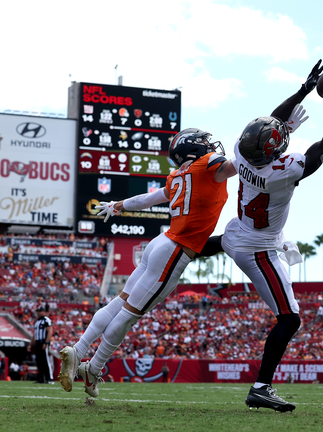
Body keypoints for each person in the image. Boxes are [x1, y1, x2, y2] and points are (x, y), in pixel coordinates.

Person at [199, 62, 323, 412]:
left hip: (236, 232)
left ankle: (178, 249)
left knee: (217, 243)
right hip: (260, 249)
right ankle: (261, 387)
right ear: (275, 152)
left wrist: (304, 89)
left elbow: (268, 124)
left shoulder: (241, 151)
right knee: (290, 318)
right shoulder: (284, 172)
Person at [56, 126, 236, 397]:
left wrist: (119, 205)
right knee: (128, 315)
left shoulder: (178, 174)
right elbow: (243, 161)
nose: (210, 146)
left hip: (159, 243)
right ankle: (93, 368)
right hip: (175, 249)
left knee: (118, 302)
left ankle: (78, 349)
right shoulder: (208, 165)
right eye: (204, 142)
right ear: (194, 148)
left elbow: (148, 199)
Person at [29, 306, 53, 384]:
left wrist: (46, 342)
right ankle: (41, 379)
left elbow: (50, 331)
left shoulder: (46, 320)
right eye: (38, 311)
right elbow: (34, 334)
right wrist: (30, 344)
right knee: (39, 361)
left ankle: (49, 378)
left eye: (40, 311)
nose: (38, 312)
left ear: (43, 312)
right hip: (38, 342)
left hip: (43, 342)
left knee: (45, 360)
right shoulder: (37, 321)